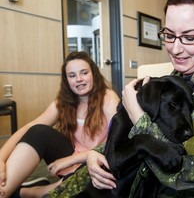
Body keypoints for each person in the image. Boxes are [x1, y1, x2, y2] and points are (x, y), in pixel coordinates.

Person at [48, 0, 194, 197]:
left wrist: (138, 115)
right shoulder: (180, 77)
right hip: (152, 178)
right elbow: (130, 133)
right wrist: (94, 154)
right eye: (169, 35)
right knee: (75, 185)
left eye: (189, 37)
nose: (175, 49)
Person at [0, 51, 119, 198]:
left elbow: (117, 138)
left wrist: (72, 159)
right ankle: (4, 191)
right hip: (69, 162)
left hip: (98, 160)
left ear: (93, 73)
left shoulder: (108, 97)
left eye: (84, 73)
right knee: (38, 131)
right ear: (66, 80)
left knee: (92, 182)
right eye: (72, 75)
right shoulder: (63, 102)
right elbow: (28, 128)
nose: (79, 79)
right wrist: (0, 158)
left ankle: (30, 192)